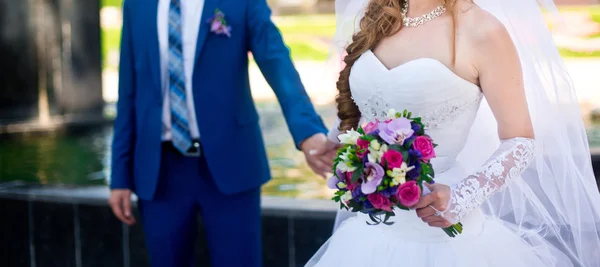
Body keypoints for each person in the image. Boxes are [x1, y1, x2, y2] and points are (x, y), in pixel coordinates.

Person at [306, 0, 600, 266]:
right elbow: (374, 102)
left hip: (446, 240)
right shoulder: (379, 15)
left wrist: (461, 198)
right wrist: (333, 141)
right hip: (371, 234)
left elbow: (521, 141)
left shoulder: (482, 30)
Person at [108, 0, 338, 266]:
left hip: (232, 161)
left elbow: (276, 61)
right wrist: (120, 175)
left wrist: (308, 132)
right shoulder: (137, 5)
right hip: (159, 171)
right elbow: (127, 92)